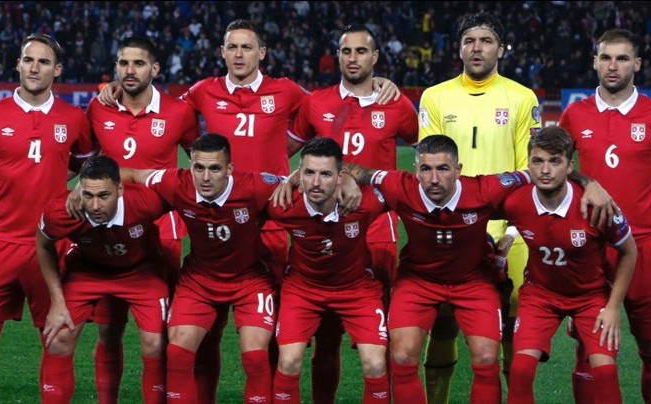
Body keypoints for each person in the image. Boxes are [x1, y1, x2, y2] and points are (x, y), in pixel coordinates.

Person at [96, 20, 400, 401]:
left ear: (262, 53)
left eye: (247, 47)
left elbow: (335, 105)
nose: (239, 54)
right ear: (222, 53)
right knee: (207, 332)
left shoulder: (288, 91)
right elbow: (163, 108)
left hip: (272, 220)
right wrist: (117, 88)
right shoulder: (202, 92)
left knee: (270, 334)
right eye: (232, 47)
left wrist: (375, 84)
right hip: (216, 218)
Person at [336, 135, 613, 404]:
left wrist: (590, 183)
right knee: (402, 357)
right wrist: (344, 176)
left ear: (458, 170)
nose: (434, 178)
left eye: (443, 168)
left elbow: (540, 172)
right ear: (416, 170)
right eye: (426, 169)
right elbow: (358, 170)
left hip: (474, 282)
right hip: (418, 282)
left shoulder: (485, 189)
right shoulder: (399, 186)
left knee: (486, 358)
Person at [559, 28, 651, 404]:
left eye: (622, 58)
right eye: (606, 57)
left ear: (637, 64)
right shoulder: (574, 115)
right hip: (591, 248)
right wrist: (586, 181)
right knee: (588, 349)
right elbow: (552, 169)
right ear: (595, 62)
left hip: (644, 248)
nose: (613, 66)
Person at [0, 34, 94, 403]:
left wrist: (58, 184)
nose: (34, 68)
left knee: (57, 340)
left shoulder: (74, 119)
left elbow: (85, 167)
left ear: (57, 70)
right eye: (28, 60)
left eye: (44, 62)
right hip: (0, 243)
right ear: (17, 64)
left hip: (50, 246)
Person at [286, 24, 418, 403]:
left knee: (382, 338)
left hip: (377, 229)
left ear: (374, 57)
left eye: (361, 51)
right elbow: (283, 150)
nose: (353, 58)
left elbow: (425, 155)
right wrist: (292, 177)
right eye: (346, 51)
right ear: (338, 57)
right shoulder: (316, 103)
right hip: (324, 227)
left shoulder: (397, 105)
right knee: (326, 337)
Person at [416, 12, 541, 401]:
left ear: (501, 49)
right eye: (469, 40)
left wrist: (514, 231)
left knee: (514, 316)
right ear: (458, 48)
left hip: (509, 230)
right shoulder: (435, 97)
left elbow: (529, 169)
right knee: (444, 318)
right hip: (451, 227)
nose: (477, 48)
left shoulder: (522, 98)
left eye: (486, 41)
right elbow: (430, 169)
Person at [109, 134, 279, 403]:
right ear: (190, 167)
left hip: (249, 280)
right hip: (199, 280)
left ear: (229, 169)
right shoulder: (176, 183)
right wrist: (84, 188)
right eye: (198, 168)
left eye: (215, 168)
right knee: (177, 352)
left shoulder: (255, 186)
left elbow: (303, 183)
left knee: (256, 355)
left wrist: (345, 180)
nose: (206, 177)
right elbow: (132, 174)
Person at [84, 36, 199, 402]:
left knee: (159, 336)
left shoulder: (179, 112)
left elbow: (200, 166)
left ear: (155, 69)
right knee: (108, 331)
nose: (130, 70)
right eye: (123, 63)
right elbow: (80, 163)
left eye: (138, 63)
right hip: (108, 233)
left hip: (161, 233)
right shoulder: (98, 108)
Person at [502, 126, 637, 403]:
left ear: (569, 166)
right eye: (538, 161)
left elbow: (629, 252)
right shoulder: (515, 203)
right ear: (528, 164)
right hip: (540, 296)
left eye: (555, 161)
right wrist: (507, 237)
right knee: (520, 370)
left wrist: (613, 308)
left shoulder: (597, 207)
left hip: (591, 297)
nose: (545, 170)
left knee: (606, 374)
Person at [37, 155, 168, 404]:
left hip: (141, 273)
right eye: (88, 195)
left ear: (120, 190)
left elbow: (187, 196)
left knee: (156, 344)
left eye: (104, 196)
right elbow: (43, 245)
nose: (95, 205)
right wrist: (57, 302)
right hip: (87, 271)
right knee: (58, 340)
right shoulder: (62, 211)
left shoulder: (146, 201)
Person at [268, 138, 390, 403]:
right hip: (302, 290)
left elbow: (409, 190)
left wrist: (353, 178)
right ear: (299, 174)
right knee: (288, 361)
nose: (315, 182)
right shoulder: (283, 203)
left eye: (325, 174)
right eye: (309, 173)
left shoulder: (364, 202)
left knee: (376, 364)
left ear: (339, 177)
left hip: (357, 290)